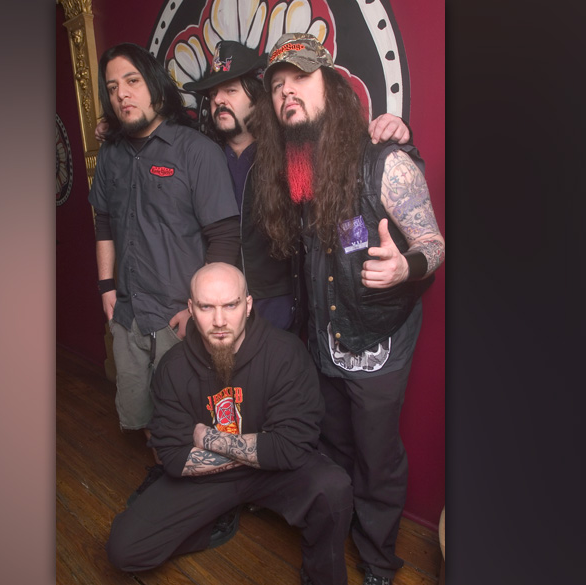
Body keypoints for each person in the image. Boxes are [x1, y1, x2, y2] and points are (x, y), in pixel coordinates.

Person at [249, 33, 446, 585]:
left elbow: (434, 243)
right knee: (333, 444)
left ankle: (380, 561)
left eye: (300, 79)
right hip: (324, 343)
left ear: (332, 87)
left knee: (377, 457)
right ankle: (339, 532)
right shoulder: (292, 172)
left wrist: (405, 266)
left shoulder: (384, 162)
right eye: (278, 87)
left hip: (379, 342)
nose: (286, 93)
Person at [106, 262, 353, 585]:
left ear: (248, 305)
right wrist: (264, 447)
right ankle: (216, 519)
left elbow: (291, 449)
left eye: (231, 305)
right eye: (207, 307)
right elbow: (174, 458)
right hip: (211, 479)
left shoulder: (285, 353)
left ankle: (321, 576)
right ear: (191, 309)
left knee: (333, 487)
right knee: (123, 550)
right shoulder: (173, 368)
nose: (219, 321)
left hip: (273, 475)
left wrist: (205, 437)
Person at [180, 40, 413, 332]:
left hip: (279, 303)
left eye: (230, 90)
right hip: (221, 303)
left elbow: (341, 142)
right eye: (213, 95)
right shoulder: (204, 156)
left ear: (256, 97)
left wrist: (395, 127)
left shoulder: (289, 151)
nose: (219, 101)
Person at [89, 42, 241, 465]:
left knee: (190, 416)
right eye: (113, 86)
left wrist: (201, 309)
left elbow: (224, 237)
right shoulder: (110, 155)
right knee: (145, 415)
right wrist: (106, 287)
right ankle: (166, 477)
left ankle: (193, 494)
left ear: (155, 86)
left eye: (133, 81)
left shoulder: (196, 152)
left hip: (178, 315)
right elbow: (104, 222)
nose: (123, 93)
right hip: (128, 312)